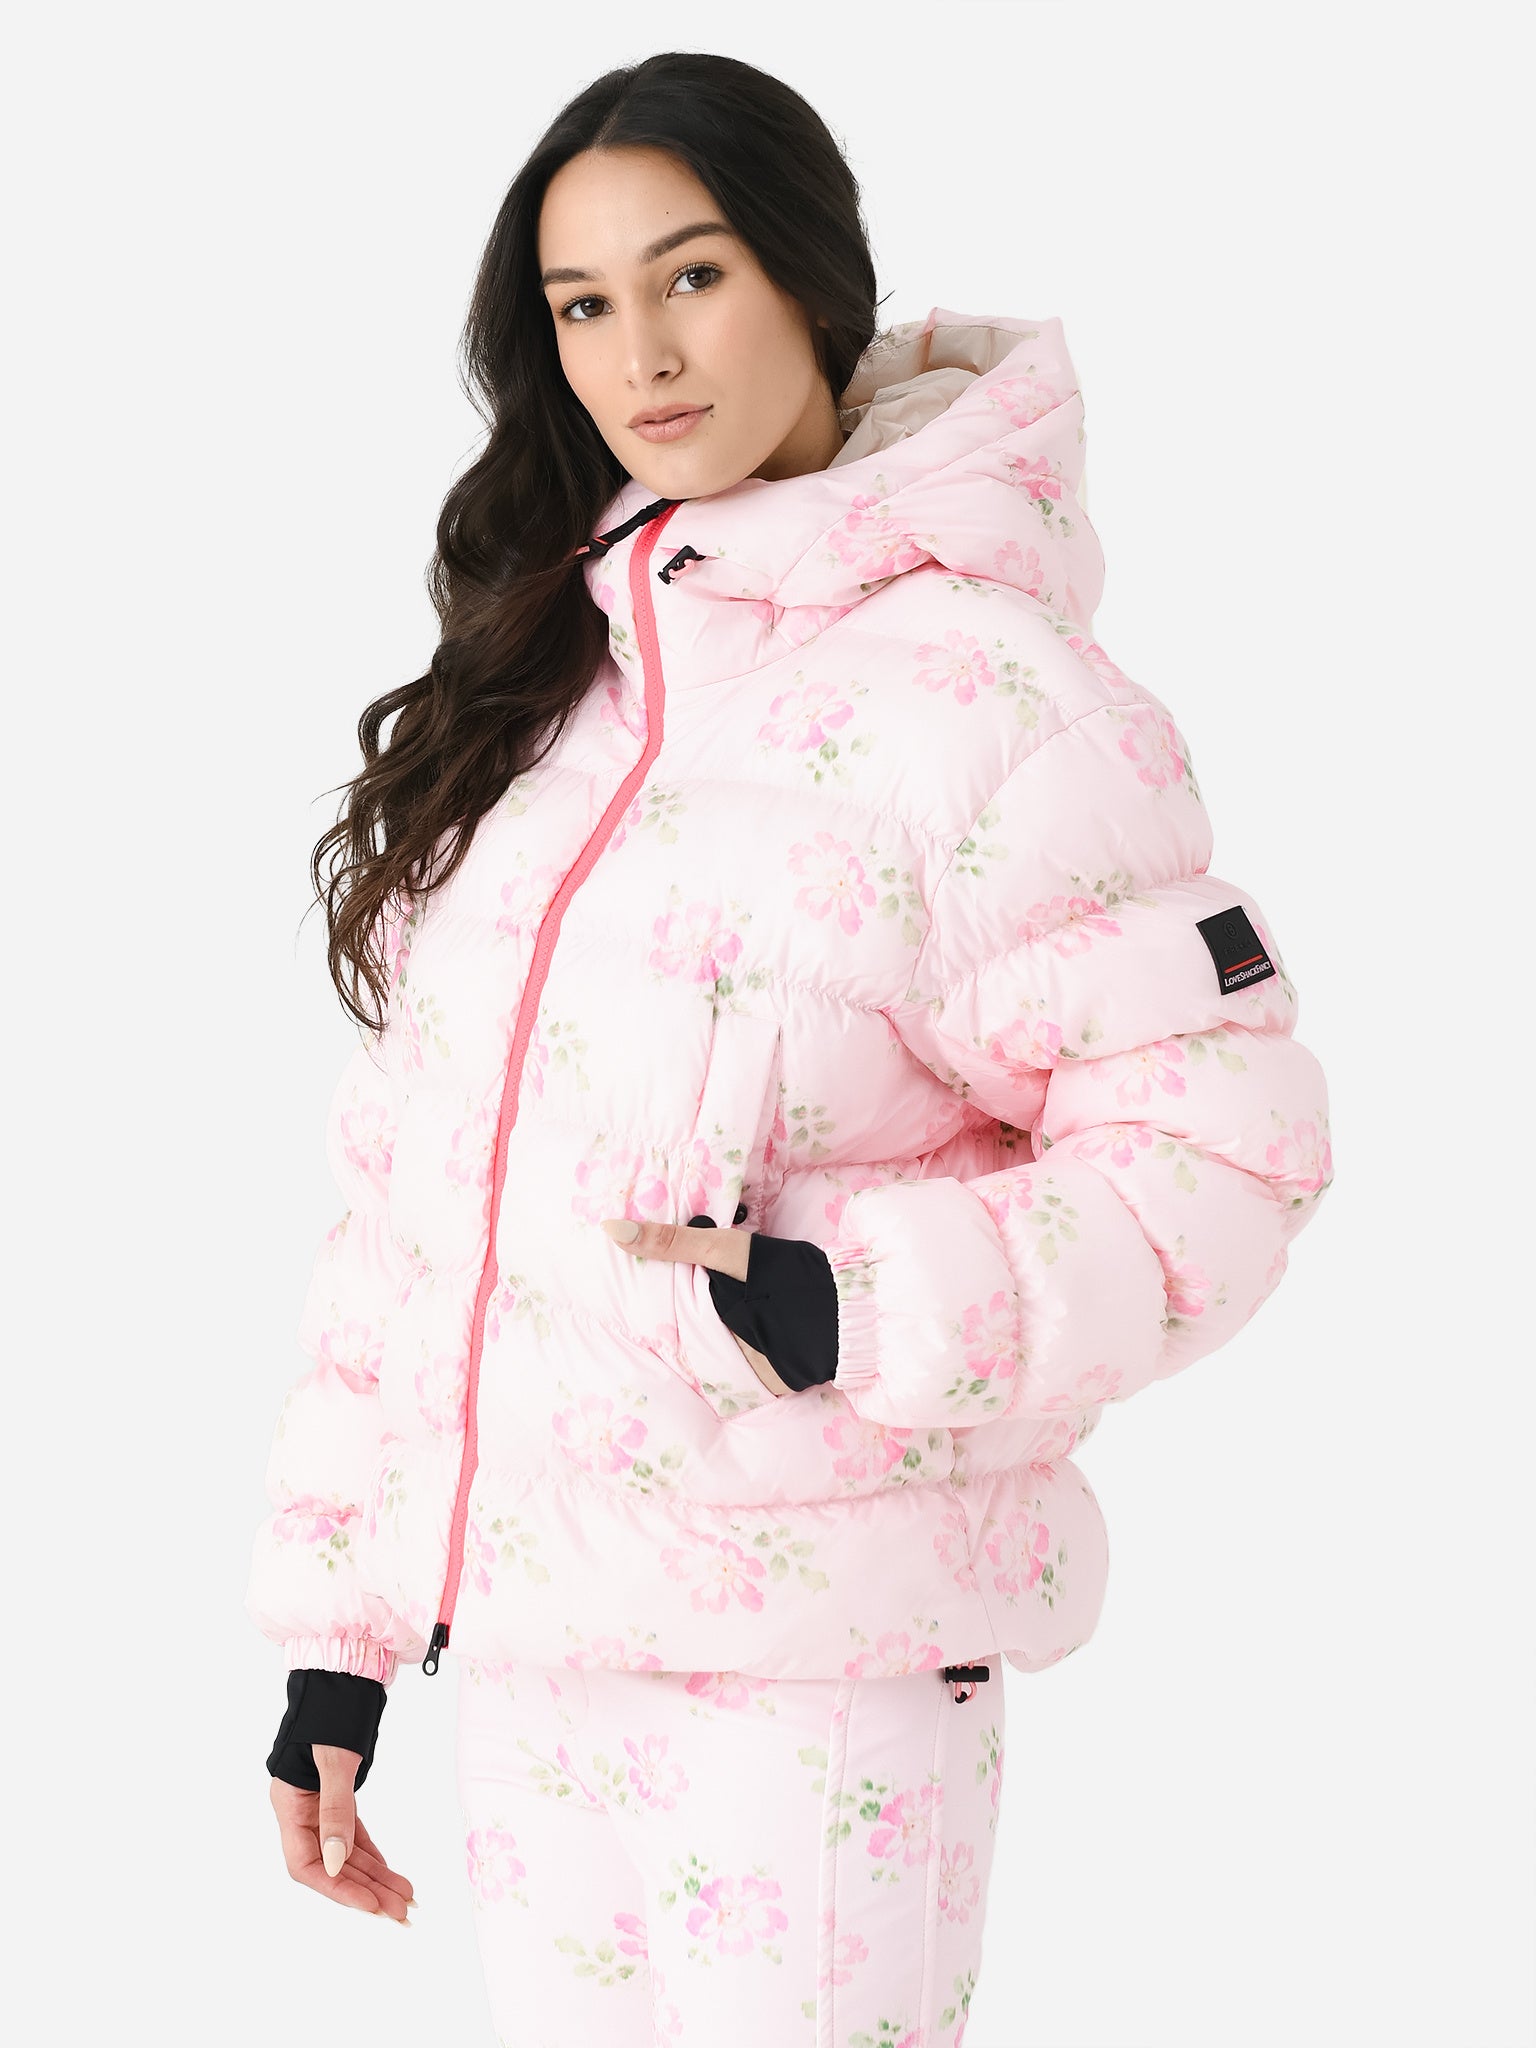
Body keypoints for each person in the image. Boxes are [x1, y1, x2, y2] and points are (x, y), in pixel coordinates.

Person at [246, 48, 1334, 2047]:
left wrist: (853, 1305)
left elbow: (1220, 1153)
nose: (642, 355)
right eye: (584, 305)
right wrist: (342, 1641)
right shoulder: (547, 698)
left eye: (694, 276)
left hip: (822, 1667)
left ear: (812, 277)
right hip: (540, 1657)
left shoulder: (995, 702)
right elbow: (414, 1221)